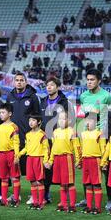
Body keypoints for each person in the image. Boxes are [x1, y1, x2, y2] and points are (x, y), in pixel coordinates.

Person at [78, 69, 111, 208]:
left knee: (105, 168)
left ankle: (110, 199)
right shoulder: (83, 96)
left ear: (99, 80)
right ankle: (87, 199)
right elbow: (85, 116)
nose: (89, 82)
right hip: (88, 136)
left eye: (92, 79)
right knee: (87, 167)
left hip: (102, 135)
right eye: (87, 79)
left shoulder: (106, 96)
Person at [40, 77, 74, 206]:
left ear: (58, 87)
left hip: (60, 139)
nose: (49, 87)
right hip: (46, 139)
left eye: (52, 85)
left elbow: (70, 119)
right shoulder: (43, 102)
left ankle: (65, 198)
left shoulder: (65, 102)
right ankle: (45, 194)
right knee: (46, 167)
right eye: (47, 85)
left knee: (63, 171)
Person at [45, 110, 81, 213]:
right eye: (59, 119)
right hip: (57, 159)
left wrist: (78, 160)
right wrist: (50, 161)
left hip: (67, 158)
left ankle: (72, 205)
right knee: (62, 183)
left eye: (63, 119)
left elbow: (77, 146)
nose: (61, 121)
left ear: (68, 120)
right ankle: (64, 204)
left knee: (69, 182)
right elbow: (54, 148)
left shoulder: (71, 131)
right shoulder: (55, 132)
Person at [6, 72, 41, 179]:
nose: (19, 82)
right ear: (14, 82)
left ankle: (34, 194)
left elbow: (38, 115)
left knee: (32, 167)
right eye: (17, 80)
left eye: (22, 80)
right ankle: (16, 195)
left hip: (28, 136)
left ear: (26, 82)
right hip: (14, 136)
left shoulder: (33, 97)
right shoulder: (9, 96)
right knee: (14, 166)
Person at [0, 103, 21, 208]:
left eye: (3, 112)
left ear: (10, 114)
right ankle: (4, 199)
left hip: (11, 154)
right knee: (3, 178)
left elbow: (16, 143)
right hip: (1, 155)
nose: (1, 115)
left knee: (15, 177)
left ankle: (15, 199)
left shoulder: (14, 127)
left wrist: (17, 156)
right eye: (0, 112)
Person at [18, 115, 49, 210]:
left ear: (39, 122)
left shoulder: (42, 135)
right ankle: (35, 202)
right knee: (32, 182)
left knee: (39, 181)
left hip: (38, 159)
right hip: (30, 159)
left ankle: (41, 202)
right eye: (29, 120)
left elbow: (46, 149)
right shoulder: (28, 134)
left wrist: (45, 160)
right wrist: (18, 155)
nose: (31, 122)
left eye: (33, 120)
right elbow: (27, 148)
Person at [79, 112, 106, 215]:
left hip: (95, 160)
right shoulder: (83, 134)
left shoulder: (99, 134)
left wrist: (104, 163)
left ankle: (97, 207)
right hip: (86, 161)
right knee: (88, 184)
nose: (88, 122)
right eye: (86, 120)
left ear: (96, 122)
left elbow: (103, 149)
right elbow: (81, 148)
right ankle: (89, 206)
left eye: (90, 120)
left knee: (96, 184)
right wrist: (80, 161)